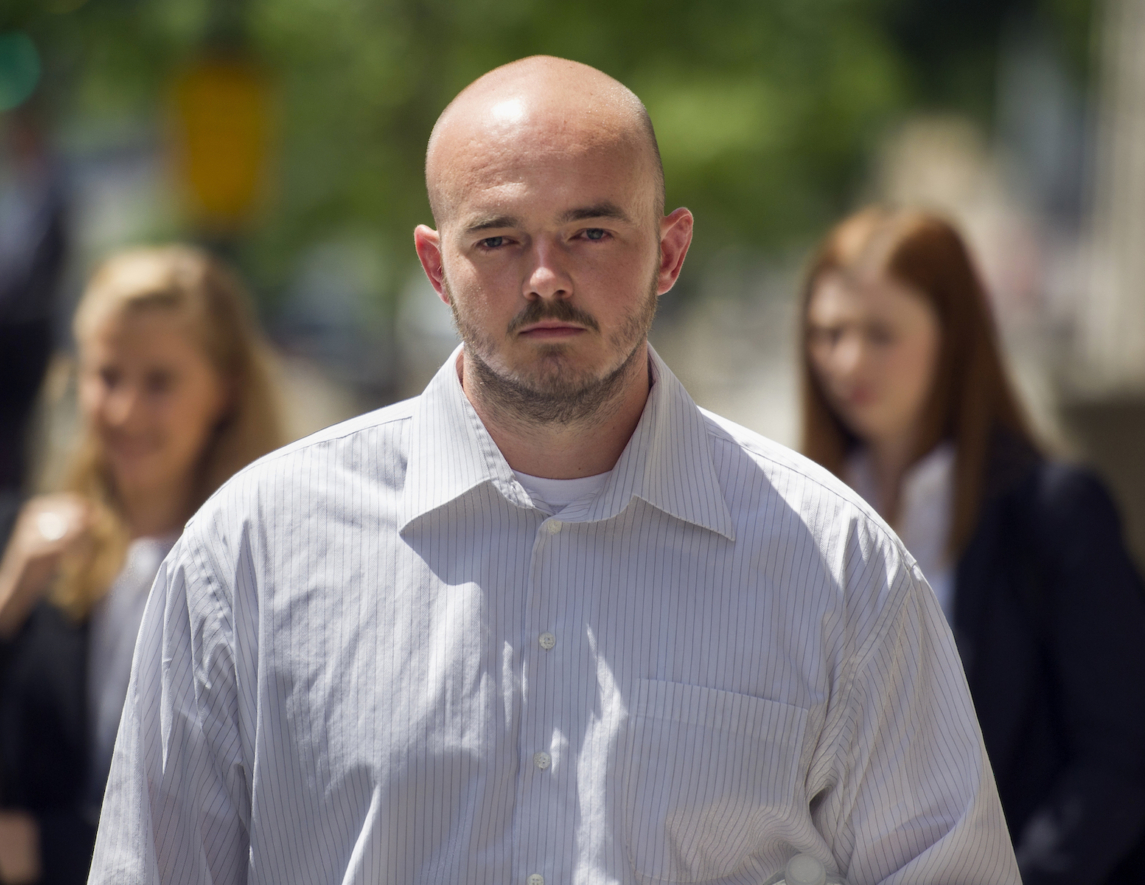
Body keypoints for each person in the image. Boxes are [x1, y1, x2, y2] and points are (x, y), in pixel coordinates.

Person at [90, 58, 1020, 885]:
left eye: (590, 232)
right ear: (434, 265)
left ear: (670, 251)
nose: (544, 277)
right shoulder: (250, 553)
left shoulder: (837, 564)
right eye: (497, 238)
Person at [799, 205, 1145, 884]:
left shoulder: (1054, 511)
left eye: (880, 333)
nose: (847, 360)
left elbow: (1121, 757)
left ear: (953, 337)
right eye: (826, 332)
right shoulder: (794, 509)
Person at [0, 246, 285, 885]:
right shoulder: (22, 536)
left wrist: (49, 849)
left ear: (223, 391)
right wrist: (0, 607)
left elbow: (272, 804)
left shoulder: (271, 557)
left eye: (160, 382)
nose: (125, 412)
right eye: (108, 376)